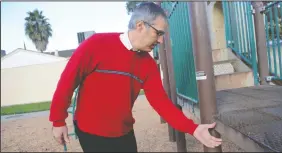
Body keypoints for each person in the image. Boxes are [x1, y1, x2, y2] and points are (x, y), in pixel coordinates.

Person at [49, 2, 222, 152]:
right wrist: (58, 121)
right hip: (91, 132)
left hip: (124, 131)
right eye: (158, 33)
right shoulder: (96, 45)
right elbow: (67, 83)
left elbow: (161, 103)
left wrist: (193, 129)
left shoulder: (147, 64)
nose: (161, 41)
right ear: (140, 26)